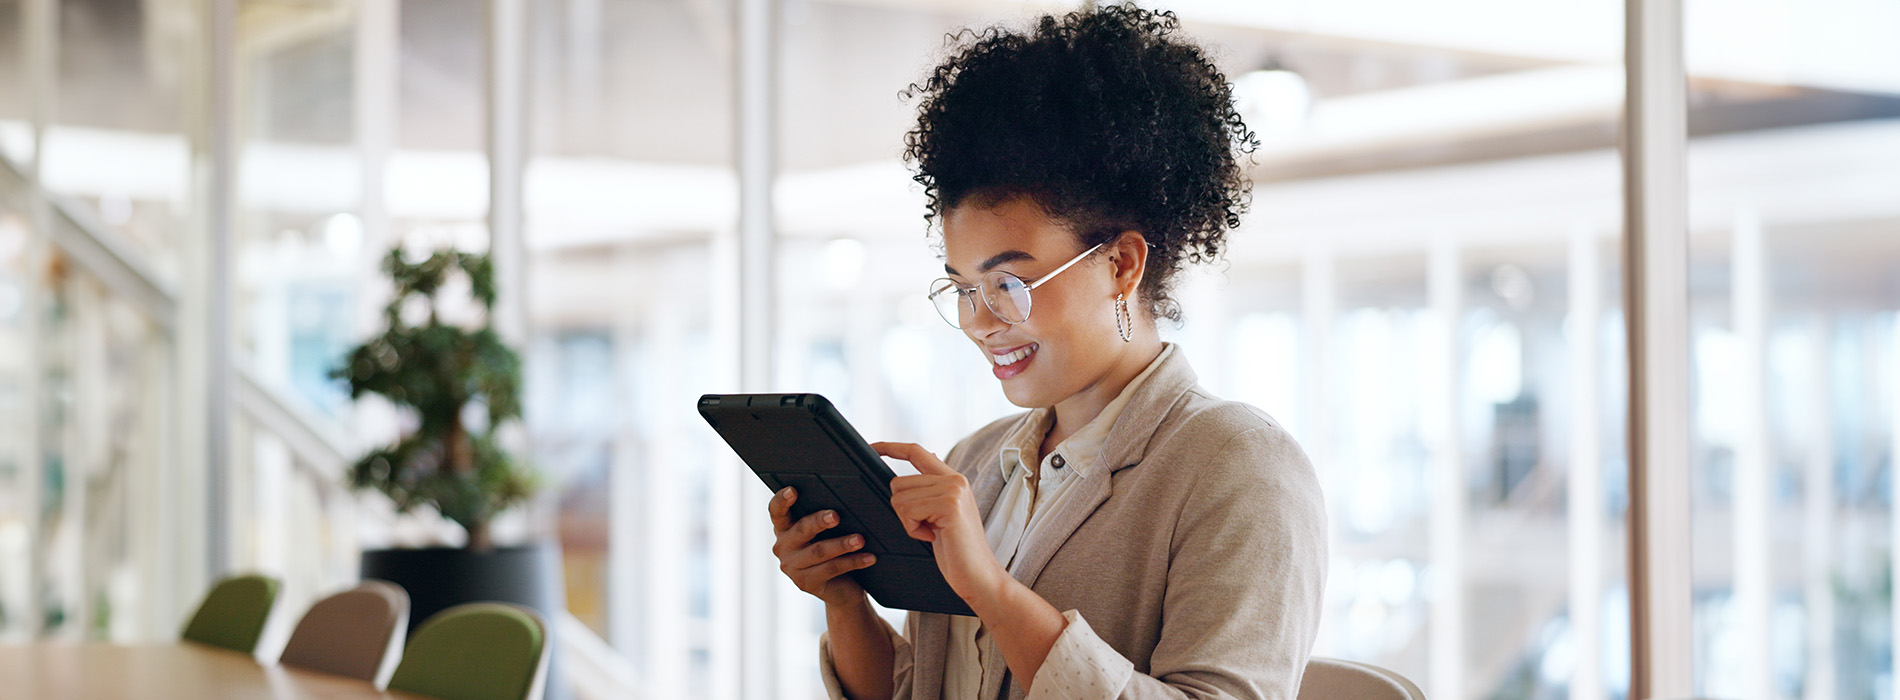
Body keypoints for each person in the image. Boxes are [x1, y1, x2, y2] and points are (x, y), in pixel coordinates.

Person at [767, 5, 1327, 699]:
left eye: (1008, 283)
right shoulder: (980, 463)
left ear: (1122, 263)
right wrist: (846, 597)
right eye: (963, 289)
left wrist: (991, 591)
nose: (980, 322)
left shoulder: (1239, 468)